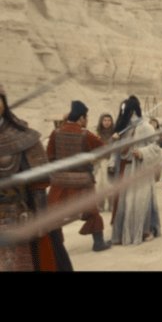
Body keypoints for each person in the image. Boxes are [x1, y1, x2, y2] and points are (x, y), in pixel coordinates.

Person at [0, 84, 73, 271]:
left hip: (19, 215)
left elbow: (39, 183)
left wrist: (40, 220)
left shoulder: (24, 138)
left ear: (3, 103)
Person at [47, 100, 112, 252]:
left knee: (53, 215)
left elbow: (50, 156)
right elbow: (104, 151)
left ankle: (55, 247)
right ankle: (98, 243)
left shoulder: (55, 133)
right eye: (86, 117)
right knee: (92, 211)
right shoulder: (85, 134)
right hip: (82, 182)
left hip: (60, 181)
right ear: (81, 118)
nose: (87, 120)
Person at [110, 96, 162, 244]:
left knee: (141, 202)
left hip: (140, 170)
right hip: (124, 170)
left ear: (133, 111)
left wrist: (142, 153)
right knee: (124, 204)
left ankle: (146, 230)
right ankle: (122, 234)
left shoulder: (146, 127)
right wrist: (115, 142)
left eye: (126, 111)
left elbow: (156, 148)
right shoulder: (122, 128)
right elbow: (117, 151)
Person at [94, 113, 115, 211]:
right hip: (100, 162)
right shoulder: (97, 133)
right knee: (99, 184)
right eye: (105, 120)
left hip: (111, 161)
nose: (107, 122)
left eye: (109, 120)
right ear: (101, 121)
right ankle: (100, 205)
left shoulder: (115, 134)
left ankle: (111, 204)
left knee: (110, 184)